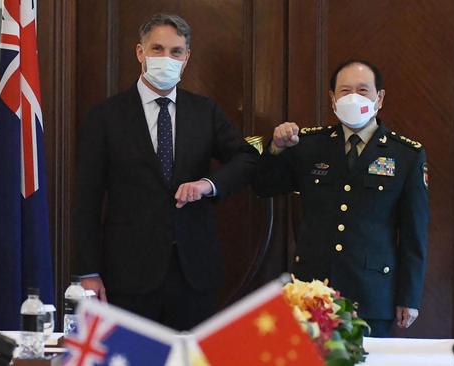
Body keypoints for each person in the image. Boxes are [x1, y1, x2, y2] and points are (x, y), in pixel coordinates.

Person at [72, 13, 258, 330]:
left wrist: (208, 184)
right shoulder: (105, 116)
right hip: (128, 275)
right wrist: (87, 272)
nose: (166, 58)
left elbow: (246, 158)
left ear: (186, 58)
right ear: (140, 53)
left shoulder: (205, 111)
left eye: (175, 52)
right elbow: (86, 199)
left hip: (194, 273)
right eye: (157, 49)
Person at [253, 60, 429, 337]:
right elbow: (264, 186)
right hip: (312, 292)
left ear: (379, 98)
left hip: (372, 294)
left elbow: (413, 232)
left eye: (363, 90)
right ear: (333, 99)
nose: (353, 97)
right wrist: (276, 148)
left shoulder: (406, 154)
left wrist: (409, 296)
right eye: (345, 91)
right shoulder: (308, 144)